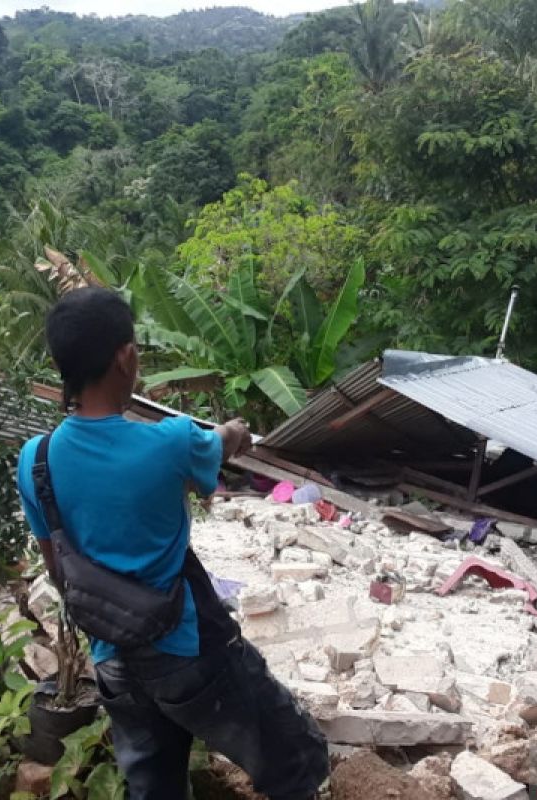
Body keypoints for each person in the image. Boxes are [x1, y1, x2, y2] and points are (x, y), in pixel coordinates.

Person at [16, 287, 329, 800]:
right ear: (126, 357)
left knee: (154, 787)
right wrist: (236, 429)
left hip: (112, 657)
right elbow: (221, 443)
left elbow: (57, 569)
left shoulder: (36, 459)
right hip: (189, 651)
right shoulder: (172, 442)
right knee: (291, 759)